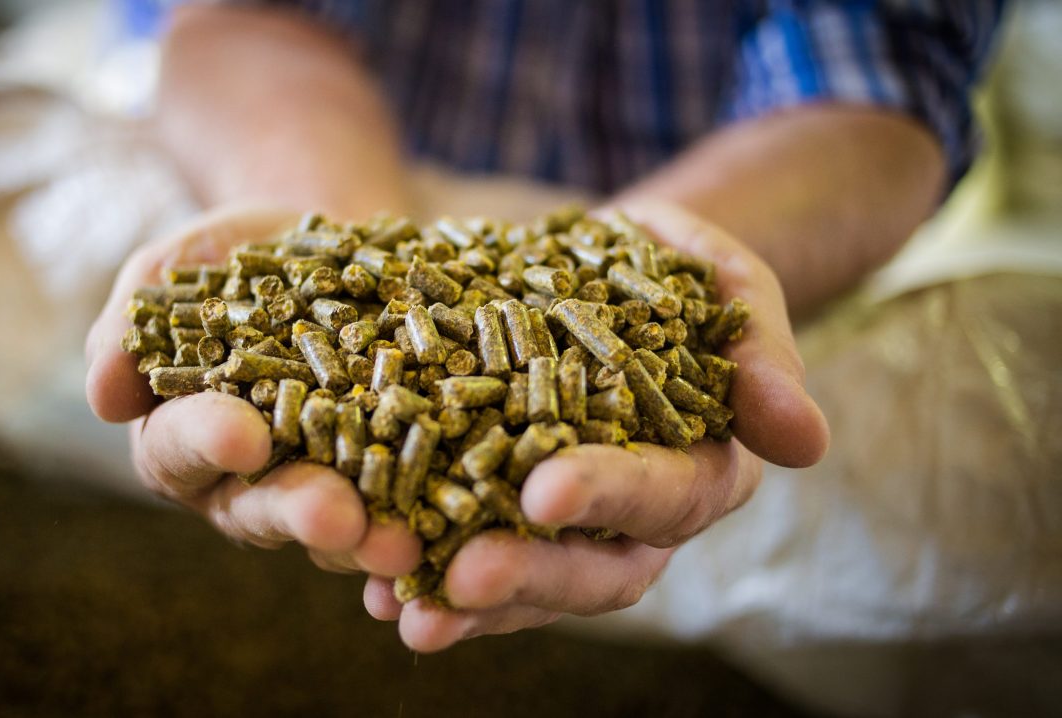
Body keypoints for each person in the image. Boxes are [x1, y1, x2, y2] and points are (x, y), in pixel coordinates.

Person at [85, 0, 1002, 653]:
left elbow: (877, 83)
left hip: (732, 199)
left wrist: (650, 268)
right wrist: (335, 226)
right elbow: (230, 19)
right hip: (325, 151)